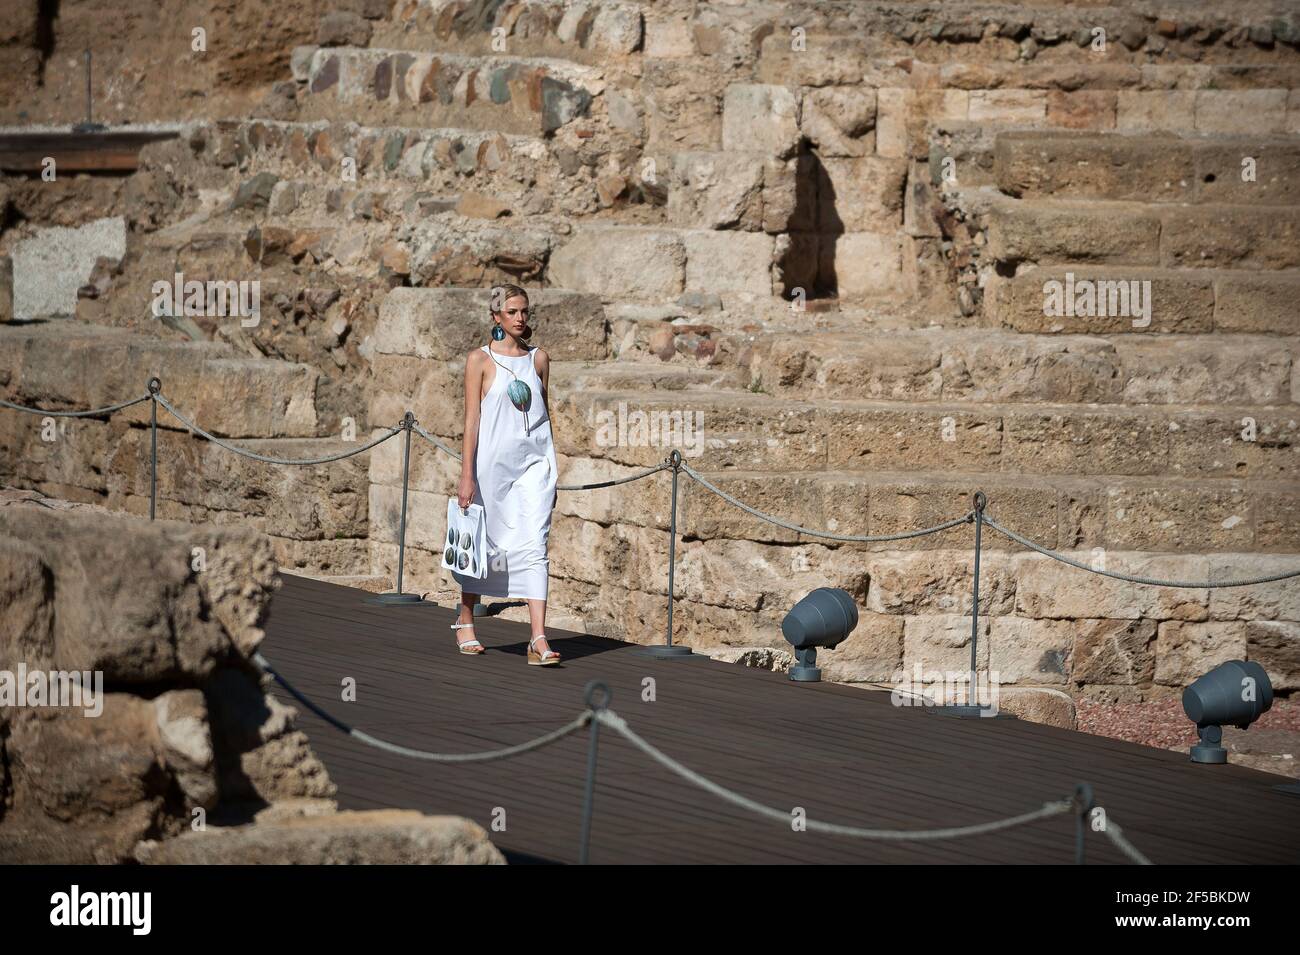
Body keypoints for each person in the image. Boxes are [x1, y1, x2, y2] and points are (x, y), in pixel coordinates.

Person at [449, 284, 561, 666]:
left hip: (533, 466)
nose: (520, 318)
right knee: (485, 542)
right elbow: (471, 420)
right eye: (512, 311)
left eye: (524, 311)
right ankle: (465, 619)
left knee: (535, 543)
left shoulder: (539, 359)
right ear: (496, 317)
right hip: (490, 466)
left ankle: (538, 638)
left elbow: (545, 414)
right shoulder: (479, 360)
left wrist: (551, 465)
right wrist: (467, 474)